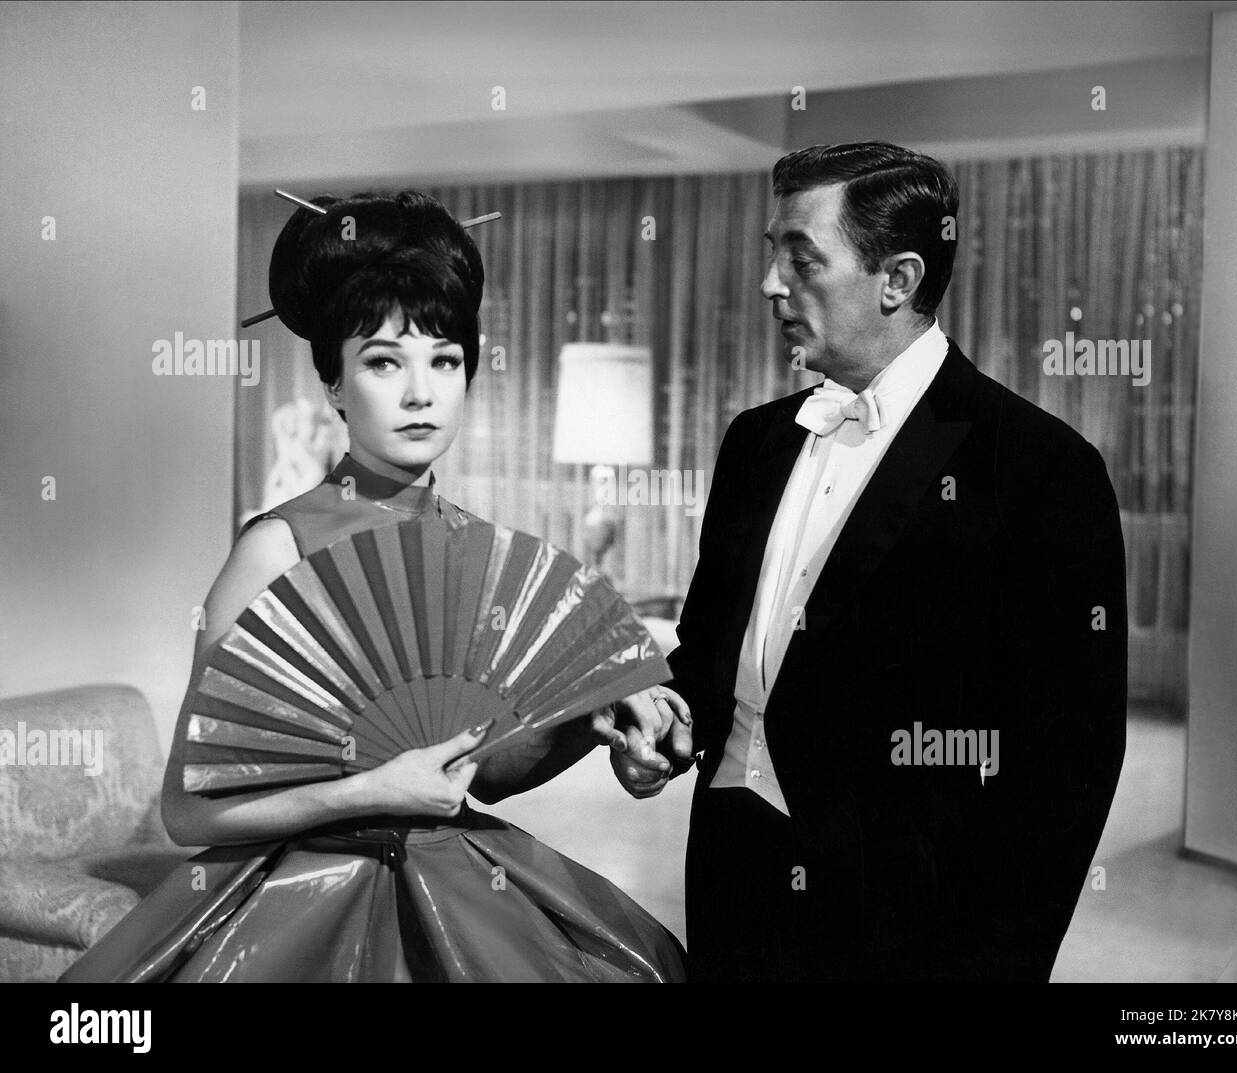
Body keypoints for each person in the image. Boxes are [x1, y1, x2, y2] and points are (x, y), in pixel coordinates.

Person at [61, 191, 686, 983]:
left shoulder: (472, 548)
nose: (421, 392)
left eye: (445, 360)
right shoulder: (275, 548)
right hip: (311, 894)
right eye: (384, 362)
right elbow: (188, 810)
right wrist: (370, 789)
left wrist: (594, 727)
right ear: (334, 383)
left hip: (460, 872)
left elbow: (489, 770)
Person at [610, 143, 1128, 982]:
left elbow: (1068, 764)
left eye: (801, 258)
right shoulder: (755, 443)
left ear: (898, 279)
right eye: (772, 252)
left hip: (911, 929)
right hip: (732, 878)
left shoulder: (1040, 468)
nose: (771, 283)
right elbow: (709, 655)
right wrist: (668, 727)